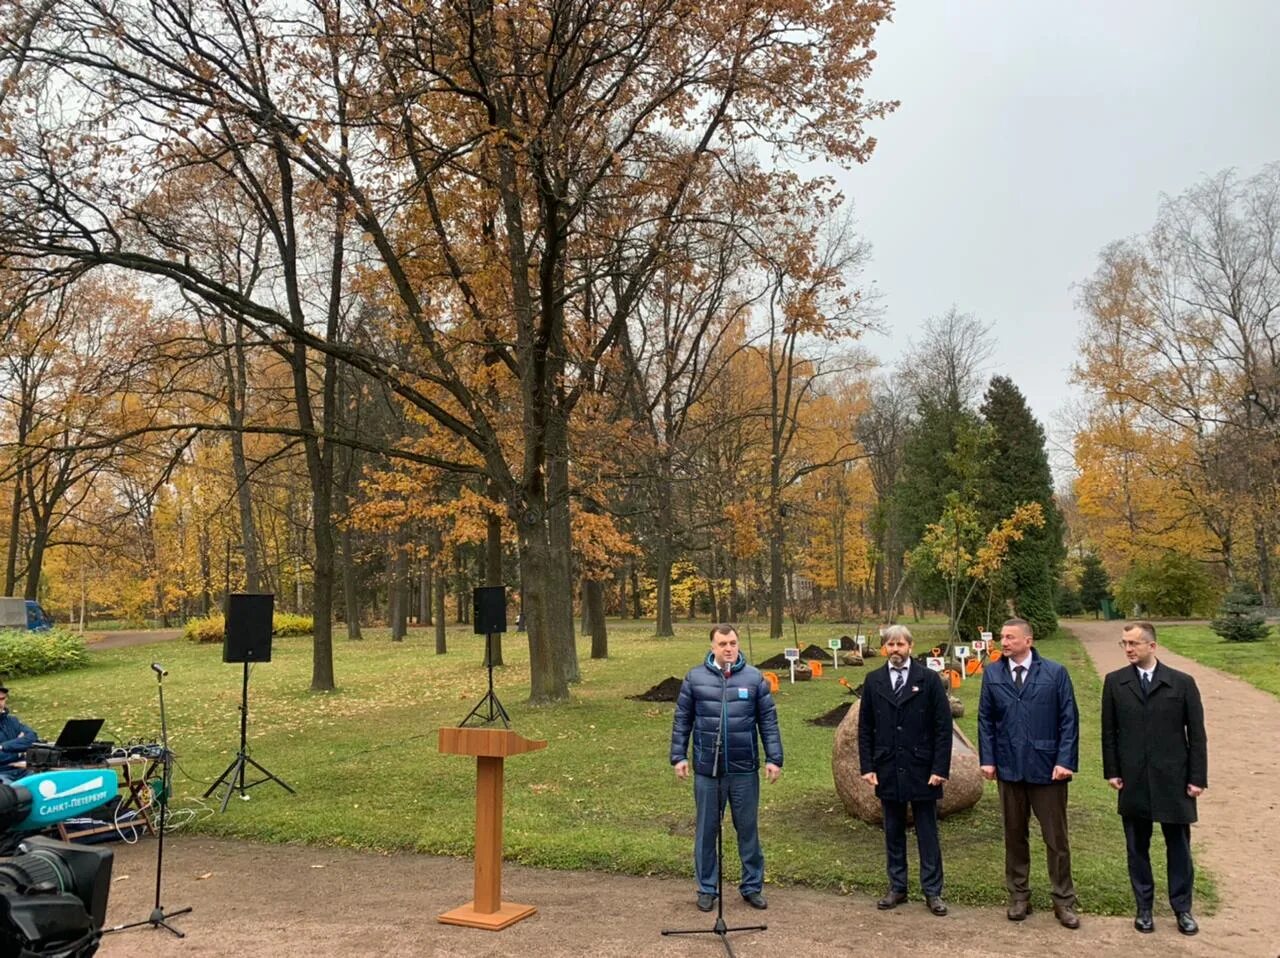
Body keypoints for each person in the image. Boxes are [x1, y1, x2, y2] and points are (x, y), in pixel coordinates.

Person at [1102, 621, 1207, 937]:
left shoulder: (1181, 683)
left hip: (1173, 779)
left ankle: (1182, 908)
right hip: (1133, 778)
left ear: (1152, 646)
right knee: (1137, 846)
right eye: (1124, 643)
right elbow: (1109, 732)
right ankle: (1144, 907)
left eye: (1134, 643)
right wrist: (1113, 770)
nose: (1129, 649)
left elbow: (1197, 736)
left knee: (1178, 847)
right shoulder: (1115, 683)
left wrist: (1197, 778)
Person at [670, 624, 783, 912]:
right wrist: (679, 756)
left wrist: (774, 758)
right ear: (712, 647)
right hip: (709, 770)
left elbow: (768, 722)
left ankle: (751, 886)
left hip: (744, 770)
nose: (729, 648)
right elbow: (682, 720)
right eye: (722, 644)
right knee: (707, 831)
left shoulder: (754, 678)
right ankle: (707, 888)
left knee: (748, 830)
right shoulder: (694, 678)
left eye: (732, 642)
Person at [978, 617, 1081, 929]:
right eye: (1002, 637)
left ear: (1028, 640)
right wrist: (988, 759)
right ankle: (1019, 895)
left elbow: (1069, 720)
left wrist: (1065, 761)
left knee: (1056, 839)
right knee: (1014, 835)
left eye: (1010, 637)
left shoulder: (1055, 673)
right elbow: (985, 719)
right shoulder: (993, 673)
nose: (1004, 642)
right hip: (1009, 768)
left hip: (1048, 770)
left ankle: (1063, 900)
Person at [858, 624, 953, 916]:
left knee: (927, 832)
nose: (895, 650)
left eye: (900, 644)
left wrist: (940, 767)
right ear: (885, 648)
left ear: (910, 646)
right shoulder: (873, 680)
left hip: (923, 767)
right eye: (890, 645)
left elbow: (943, 727)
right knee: (893, 830)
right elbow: (865, 728)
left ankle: (933, 891)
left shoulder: (929, 679)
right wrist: (868, 766)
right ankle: (897, 887)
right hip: (888, 766)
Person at [0, 686, 39, 782]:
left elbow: (32, 738)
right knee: (10, 794)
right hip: (2, 774)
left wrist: (2, 747)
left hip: (24, 769)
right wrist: (20, 751)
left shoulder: (12, 721)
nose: (0, 703)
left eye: (2, 699)